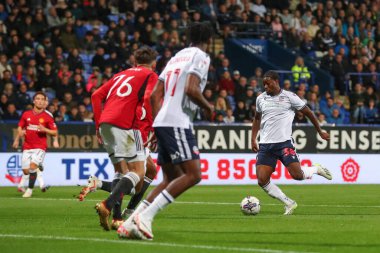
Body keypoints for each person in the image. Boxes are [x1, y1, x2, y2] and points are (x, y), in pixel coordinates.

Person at [118, 22, 214, 240]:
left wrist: (157, 124)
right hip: (177, 121)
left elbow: (154, 96)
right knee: (193, 174)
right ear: (209, 39)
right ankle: (146, 218)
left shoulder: (176, 57)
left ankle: (130, 221)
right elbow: (191, 89)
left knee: (170, 177)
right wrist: (209, 107)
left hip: (162, 120)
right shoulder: (200, 56)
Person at [92, 46, 158, 231]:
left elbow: (96, 95)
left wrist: (98, 125)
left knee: (120, 172)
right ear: (154, 63)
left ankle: (117, 218)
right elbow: (148, 99)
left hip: (106, 123)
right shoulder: (150, 75)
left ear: (135, 62)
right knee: (138, 173)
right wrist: (152, 127)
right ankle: (107, 204)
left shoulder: (120, 75)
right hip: (127, 125)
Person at [251, 71, 332, 215]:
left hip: (284, 144)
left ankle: (316, 169)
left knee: (297, 175)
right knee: (262, 180)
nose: (265, 86)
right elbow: (257, 118)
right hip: (265, 145)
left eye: (268, 83)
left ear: (276, 81)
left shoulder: (290, 97)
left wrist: (319, 131)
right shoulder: (260, 99)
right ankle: (289, 203)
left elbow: (308, 112)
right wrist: (253, 138)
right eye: (263, 84)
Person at [12, 92, 58, 198]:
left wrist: (45, 129)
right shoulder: (26, 114)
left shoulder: (48, 116)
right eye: (38, 99)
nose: (40, 101)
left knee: (32, 166)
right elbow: (20, 127)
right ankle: (39, 167)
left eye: (43, 99)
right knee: (26, 171)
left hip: (40, 147)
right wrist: (17, 138)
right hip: (27, 146)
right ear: (34, 101)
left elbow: (54, 132)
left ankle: (29, 190)